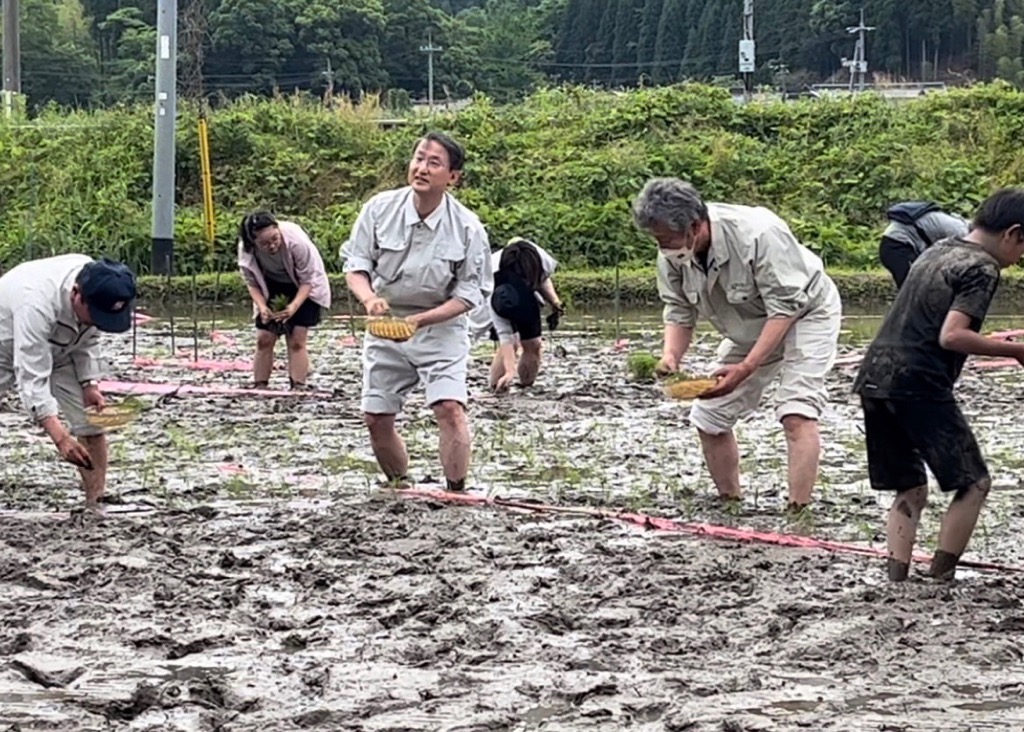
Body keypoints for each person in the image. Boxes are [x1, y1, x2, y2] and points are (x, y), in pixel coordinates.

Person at [631, 177, 842, 511]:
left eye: (666, 238)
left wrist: (746, 367)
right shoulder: (672, 255)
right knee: (709, 416)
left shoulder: (758, 233)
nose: (662, 246)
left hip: (806, 311)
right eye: (656, 239)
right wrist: (670, 356)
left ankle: (798, 512)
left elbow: (785, 306)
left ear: (695, 226)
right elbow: (679, 311)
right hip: (751, 326)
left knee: (796, 410)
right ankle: (730, 503)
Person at [854, 188, 1024, 583]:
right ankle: (939, 577)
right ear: (1014, 234)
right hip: (920, 381)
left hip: (875, 376)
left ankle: (896, 579)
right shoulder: (982, 267)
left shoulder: (938, 248)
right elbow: (953, 336)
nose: (1020, 260)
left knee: (910, 486)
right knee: (974, 482)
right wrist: (1014, 352)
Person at [340, 132, 491, 492]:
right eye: (418, 158)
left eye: (434, 163)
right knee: (376, 417)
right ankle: (399, 486)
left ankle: (456, 490)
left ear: (453, 177)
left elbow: (470, 294)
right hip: (386, 323)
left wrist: (422, 320)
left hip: (441, 327)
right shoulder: (379, 209)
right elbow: (356, 265)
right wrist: (369, 299)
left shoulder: (468, 228)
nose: (421, 168)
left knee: (449, 409)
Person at [0, 254, 137, 508]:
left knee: (91, 422)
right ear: (76, 293)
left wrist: (89, 383)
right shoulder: (36, 304)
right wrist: (61, 438)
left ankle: (95, 503)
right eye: (95, 314)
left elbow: (90, 338)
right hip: (5, 347)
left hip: (63, 347)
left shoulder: (97, 281)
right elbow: (31, 378)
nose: (98, 322)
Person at [237, 211, 332, 390]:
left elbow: (308, 280)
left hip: (303, 286)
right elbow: (252, 283)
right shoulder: (246, 249)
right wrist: (262, 306)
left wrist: (294, 306)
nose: (272, 245)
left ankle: (298, 385)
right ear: (253, 242)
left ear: (278, 229)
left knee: (296, 338)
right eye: (264, 243)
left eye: (274, 238)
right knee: (264, 337)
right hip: (272, 285)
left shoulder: (297, 243)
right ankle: (260, 385)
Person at [467, 237, 565, 391]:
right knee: (509, 342)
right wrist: (509, 371)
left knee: (534, 344)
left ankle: (526, 387)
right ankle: (497, 388)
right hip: (499, 295)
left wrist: (555, 302)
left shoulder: (543, 260)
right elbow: (504, 334)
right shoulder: (490, 280)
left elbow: (544, 280)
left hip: (528, 296)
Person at [879, 201, 970, 289]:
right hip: (896, 245)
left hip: (901, 244)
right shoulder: (961, 230)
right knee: (911, 287)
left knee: (921, 284)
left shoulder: (954, 223)